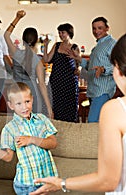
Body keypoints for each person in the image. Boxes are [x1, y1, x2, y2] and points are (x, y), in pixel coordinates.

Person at [31, 33, 126, 195]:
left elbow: (108, 180)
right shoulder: (57, 47)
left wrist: (60, 183)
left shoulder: (116, 110)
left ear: (118, 68)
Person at [0, 82, 58, 195]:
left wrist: (31, 140)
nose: (24, 107)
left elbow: (53, 143)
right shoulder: (9, 129)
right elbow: (8, 157)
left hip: (46, 179)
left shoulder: (42, 120)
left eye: (27, 101)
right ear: (11, 105)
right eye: (18, 103)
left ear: (32, 99)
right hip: (26, 183)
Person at [4, 10, 53, 118]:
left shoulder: (16, 53)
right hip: (31, 94)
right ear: (36, 41)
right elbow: (41, 85)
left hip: (15, 92)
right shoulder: (38, 61)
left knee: (17, 123)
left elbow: (6, 35)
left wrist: (17, 18)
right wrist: (49, 107)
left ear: (23, 39)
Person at [68, 16, 116, 123]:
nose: (96, 31)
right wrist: (78, 58)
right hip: (93, 91)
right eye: (94, 28)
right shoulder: (97, 47)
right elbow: (90, 66)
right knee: (97, 124)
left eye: (100, 28)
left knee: (92, 123)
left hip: (102, 92)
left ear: (107, 28)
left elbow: (118, 66)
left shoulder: (112, 44)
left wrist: (103, 69)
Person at [43, 23, 80, 122]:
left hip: (69, 83)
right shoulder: (57, 45)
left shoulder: (75, 47)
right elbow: (46, 60)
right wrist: (45, 46)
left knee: (69, 108)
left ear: (69, 33)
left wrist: (78, 68)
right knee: (56, 106)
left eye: (63, 32)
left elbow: (78, 65)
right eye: (59, 32)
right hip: (56, 81)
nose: (60, 35)